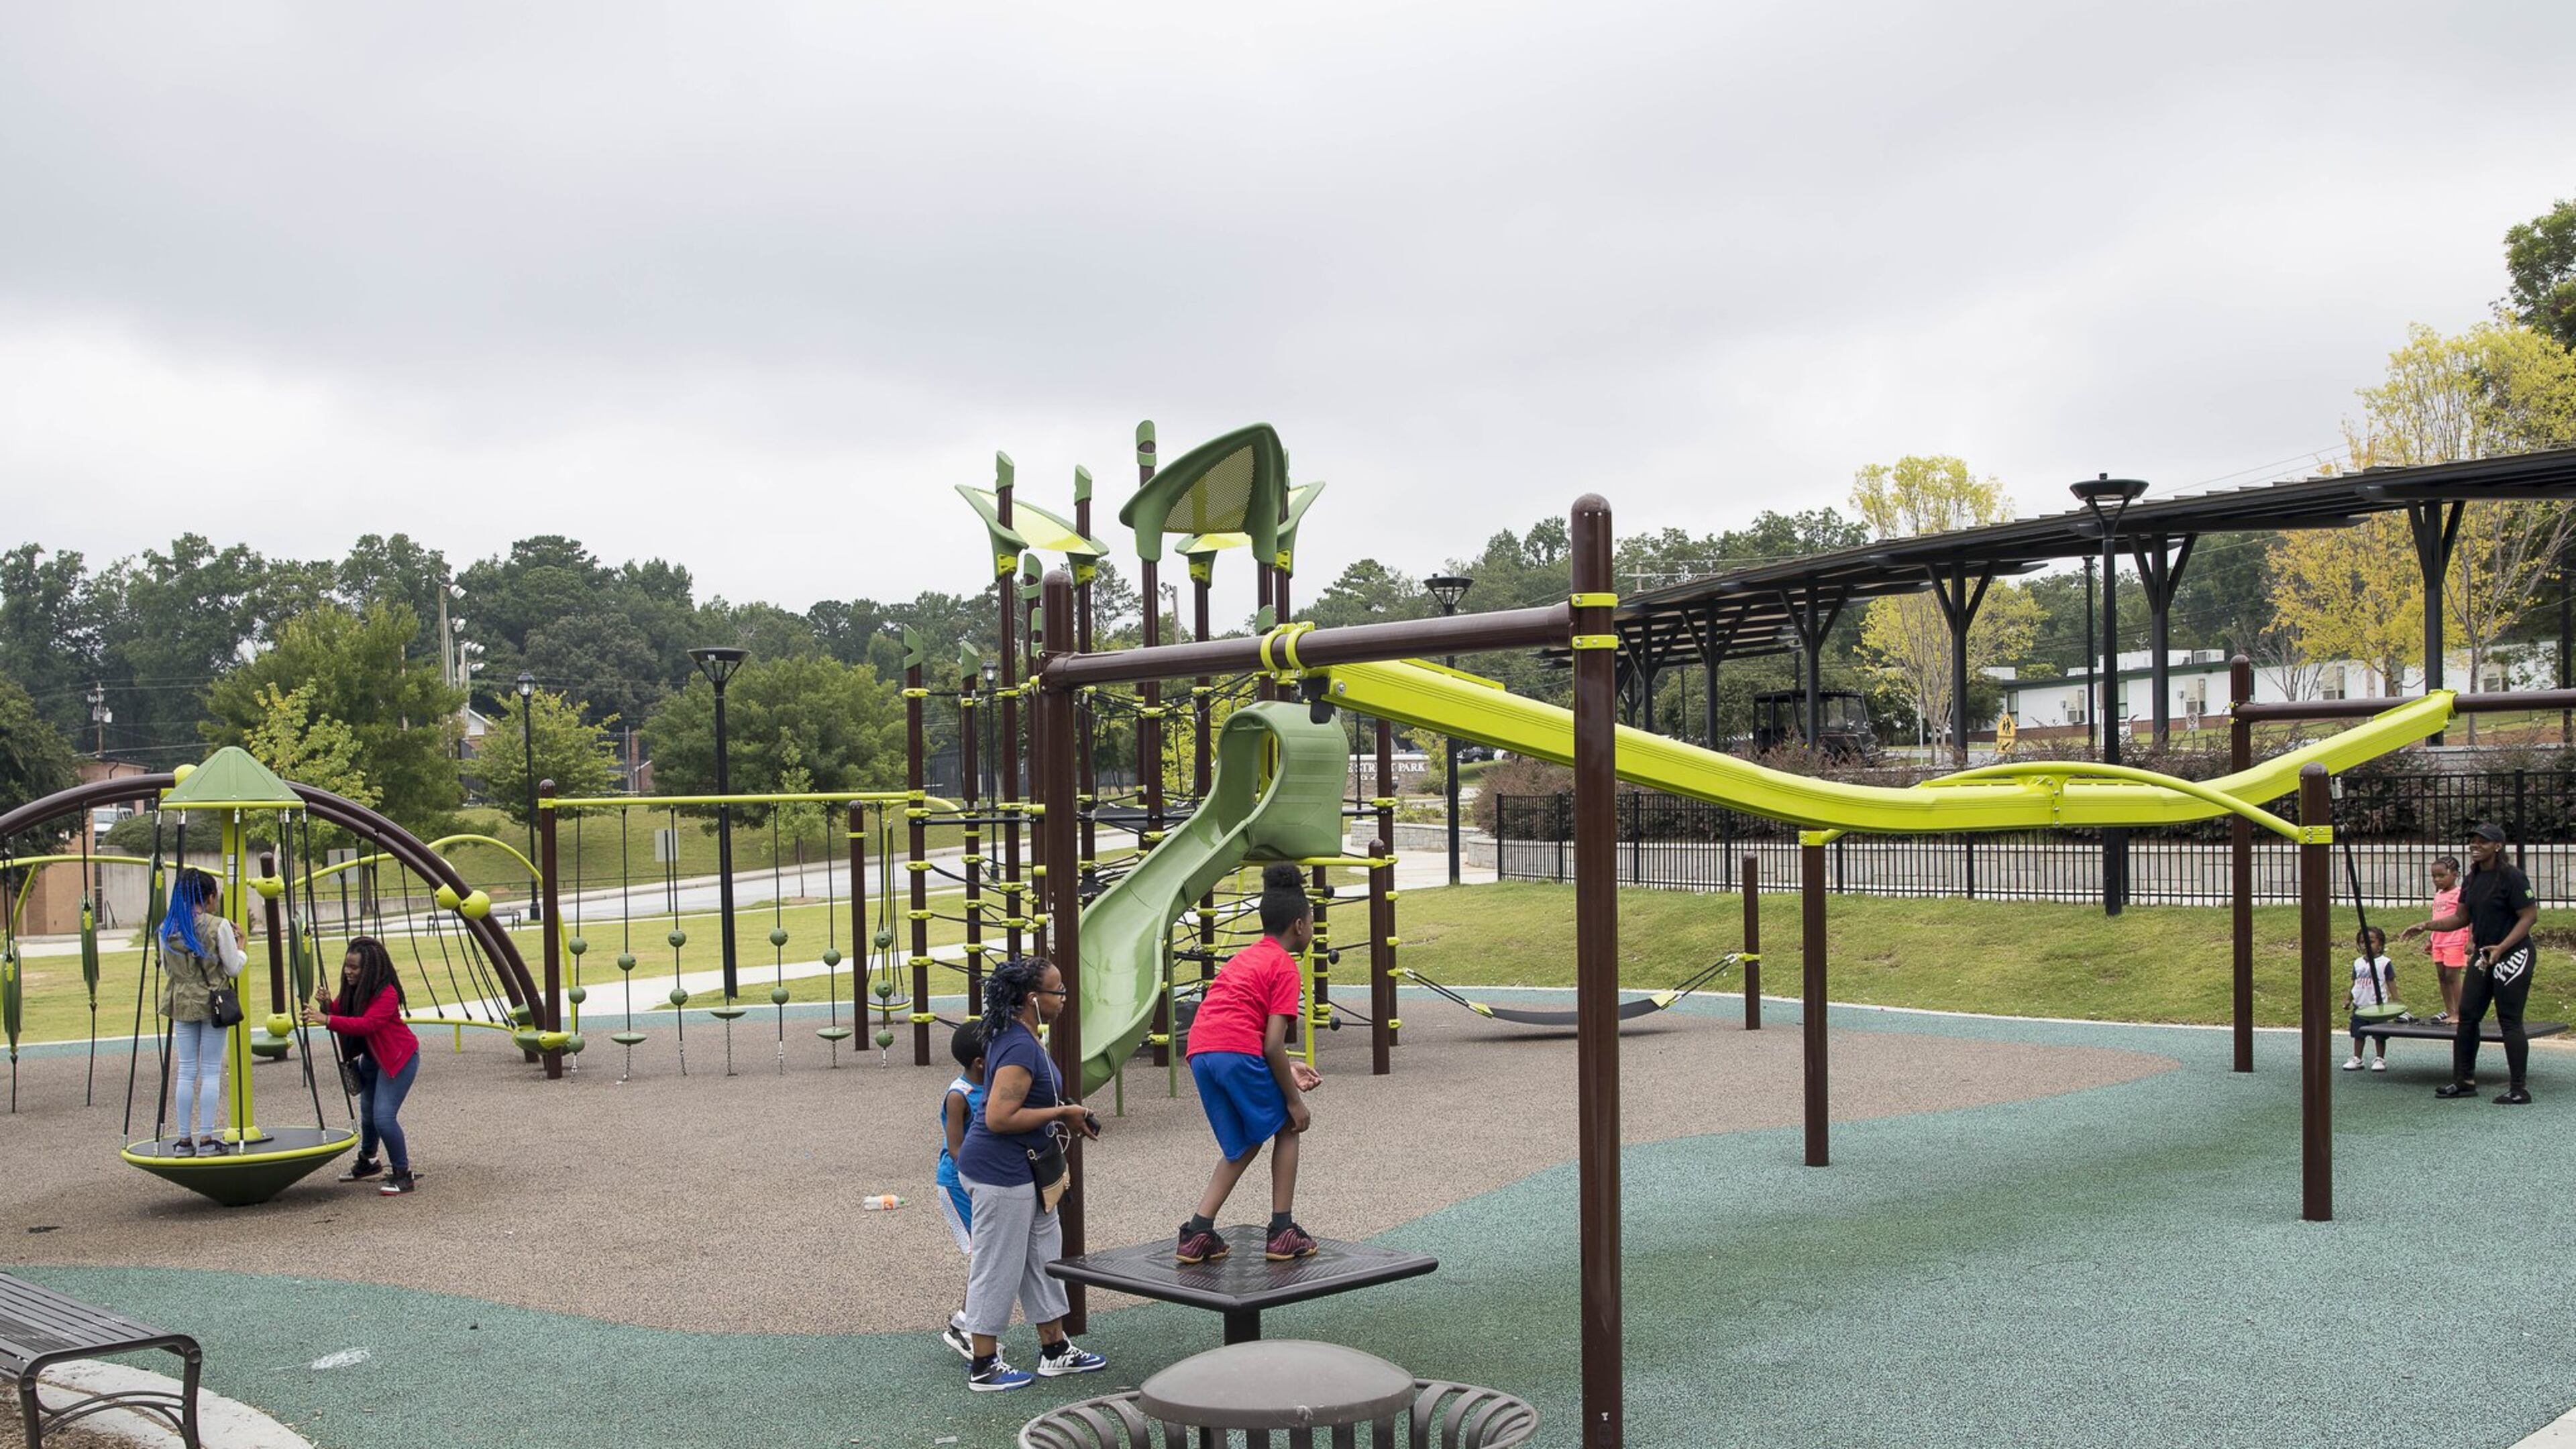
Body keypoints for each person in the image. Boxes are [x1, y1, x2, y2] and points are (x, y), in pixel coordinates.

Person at [952, 957, 1105, 1391]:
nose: (1064, 998)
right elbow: (1000, 1117)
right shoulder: (1019, 1045)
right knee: (998, 1263)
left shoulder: (1019, 1035)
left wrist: (1064, 1115)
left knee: (1043, 1256)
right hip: (1000, 1171)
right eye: (1057, 991)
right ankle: (984, 1363)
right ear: (1032, 999)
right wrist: (1062, 1112)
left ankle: (1055, 1348)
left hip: (1024, 1170)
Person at [1177, 861, 1326, 1267]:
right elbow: (1273, 1044)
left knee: (1244, 1140)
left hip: (1202, 1052)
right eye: (1312, 922)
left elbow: (1245, 1028)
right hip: (1235, 1052)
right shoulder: (1284, 965)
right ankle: (1282, 1230)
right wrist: (1294, 1099)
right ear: (1299, 924)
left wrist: (1286, 1067)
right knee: (1288, 1125)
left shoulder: (1245, 958)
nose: (1311, 930)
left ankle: (1197, 1232)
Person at [2402, 822, 2539, 1105]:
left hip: (2513, 953)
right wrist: (2427, 925)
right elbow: (2461, 918)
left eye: (2483, 841)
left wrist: (2502, 947)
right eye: (2473, 841)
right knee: (2468, 1015)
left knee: (2509, 1020)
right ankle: (2464, 1081)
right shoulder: (2473, 879)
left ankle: (2518, 1088)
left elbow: (2529, 917)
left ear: (2498, 846)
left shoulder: (2513, 877)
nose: (2475, 846)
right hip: (2484, 955)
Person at [303, 936, 423, 1193]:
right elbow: (346, 1010)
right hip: (372, 1058)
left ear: (369, 969)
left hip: (398, 1058)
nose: (348, 972)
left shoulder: (387, 993)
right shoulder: (355, 989)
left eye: (354, 968)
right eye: (347, 966)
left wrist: (326, 1019)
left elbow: (367, 1024)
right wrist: (328, 1006)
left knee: (384, 1117)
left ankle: (403, 1174)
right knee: (368, 1114)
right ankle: (368, 1160)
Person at [156, 868, 246, 1157]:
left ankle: (184, 1140)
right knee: (210, 1070)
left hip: (181, 999)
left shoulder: (165, 929)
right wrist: (241, 946)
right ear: (209, 897)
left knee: (186, 1070)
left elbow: (168, 969)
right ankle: (206, 1138)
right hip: (212, 1001)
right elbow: (233, 968)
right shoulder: (216, 926)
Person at [935, 1021, 988, 1360]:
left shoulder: (995, 1082)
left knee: (989, 1252)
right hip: (957, 1184)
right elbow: (957, 1148)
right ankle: (965, 1326)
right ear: (980, 1061)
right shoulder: (960, 1095)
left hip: (981, 1181)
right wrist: (981, 1179)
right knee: (982, 1253)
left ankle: (964, 1320)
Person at [2424, 855, 2471, 1024]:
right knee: (2442, 975)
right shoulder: (2438, 896)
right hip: (2439, 941)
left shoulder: (2460, 894)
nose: (2437, 880)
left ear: (2455, 874)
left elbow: (2468, 918)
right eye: (2434, 876)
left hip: (2456, 940)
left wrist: (2470, 940)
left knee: (2453, 975)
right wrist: (2431, 939)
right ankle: (2450, 1010)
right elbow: (2436, 918)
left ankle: (2459, 1012)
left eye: (2441, 876)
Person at [2344, 926, 2394, 1073]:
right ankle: (2357, 1058)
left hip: (2377, 1006)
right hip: (2360, 1005)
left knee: (2379, 1035)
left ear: (2380, 945)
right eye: (2362, 942)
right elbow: (2355, 983)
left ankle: (2380, 1058)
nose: (2366, 945)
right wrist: (2348, 998)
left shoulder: (2384, 962)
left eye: (2371, 942)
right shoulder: (2358, 963)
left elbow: (2391, 981)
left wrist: (2397, 1000)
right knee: (2358, 1034)